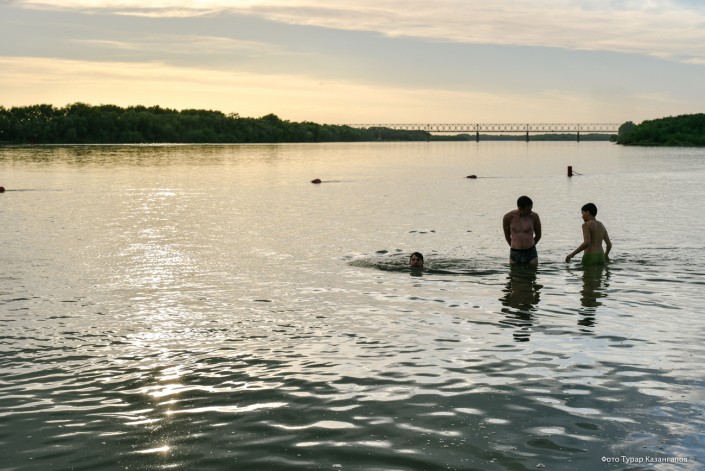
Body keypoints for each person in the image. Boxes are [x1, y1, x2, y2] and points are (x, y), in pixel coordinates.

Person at [503, 195, 542, 265]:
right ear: (520, 208)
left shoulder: (534, 216)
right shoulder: (508, 217)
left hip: (531, 252)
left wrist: (529, 245)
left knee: (533, 271)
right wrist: (515, 246)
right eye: (528, 210)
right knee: (514, 271)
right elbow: (507, 236)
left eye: (531, 208)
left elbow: (538, 235)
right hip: (515, 252)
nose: (530, 211)